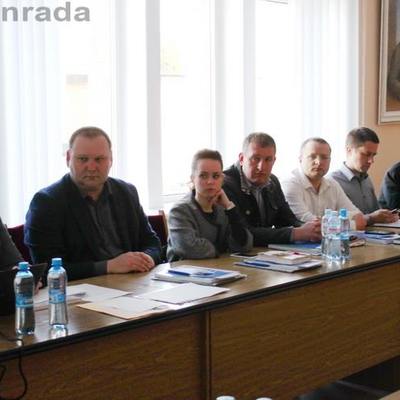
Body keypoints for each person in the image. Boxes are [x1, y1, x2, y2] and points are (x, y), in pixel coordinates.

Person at [25, 127, 162, 281]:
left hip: (135, 282)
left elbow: (151, 241)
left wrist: (147, 258)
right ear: (68, 158)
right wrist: (109, 266)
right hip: (84, 289)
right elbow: (47, 268)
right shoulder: (46, 202)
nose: (91, 167)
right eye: (83, 159)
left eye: (99, 159)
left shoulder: (126, 192)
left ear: (111, 160)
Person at [222, 133, 321, 246]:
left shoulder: (272, 181)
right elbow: (244, 233)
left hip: (261, 252)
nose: (261, 167)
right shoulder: (225, 184)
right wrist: (295, 233)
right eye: (255, 159)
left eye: (268, 160)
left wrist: (312, 229)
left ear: (274, 160)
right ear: (241, 158)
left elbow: (287, 220)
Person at [167, 149, 253, 261]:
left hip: (219, 267)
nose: (210, 181)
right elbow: (188, 248)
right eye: (203, 176)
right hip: (184, 270)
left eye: (216, 176)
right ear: (193, 179)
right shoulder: (179, 211)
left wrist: (229, 207)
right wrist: (222, 249)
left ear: (222, 179)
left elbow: (244, 245)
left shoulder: (223, 209)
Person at [282, 137, 366, 230]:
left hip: (329, 238)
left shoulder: (333, 184)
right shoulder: (290, 184)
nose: (318, 162)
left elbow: (358, 217)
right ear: (300, 159)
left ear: (330, 160)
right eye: (312, 156)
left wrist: (330, 221)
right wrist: (352, 224)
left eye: (324, 157)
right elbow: (310, 223)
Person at [330, 127, 398, 225]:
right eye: (366, 154)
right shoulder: (332, 182)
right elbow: (332, 223)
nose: (371, 161)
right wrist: (372, 218)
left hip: (375, 232)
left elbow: (375, 213)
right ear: (349, 150)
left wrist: (385, 216)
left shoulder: (366, 179)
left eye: (373, 155)